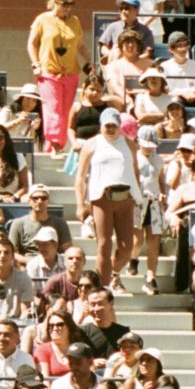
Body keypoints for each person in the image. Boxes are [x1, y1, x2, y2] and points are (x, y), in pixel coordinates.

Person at [75, 108, 139, 292]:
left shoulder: (129, 144)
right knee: (104, 243)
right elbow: (80, 176)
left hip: (125, 198)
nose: (110, 129)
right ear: (101, 126)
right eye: (107, 125)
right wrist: (81, 204)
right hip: (101, 198)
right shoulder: (91, 145)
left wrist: (137, 195)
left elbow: (135, 171)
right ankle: (101, 287)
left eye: (114, 125)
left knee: (127, 247)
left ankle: (115, 273)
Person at [25, 0, 87, 153]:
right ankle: (54, 144)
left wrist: (90, 62)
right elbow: (32, 43)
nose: (68, 8)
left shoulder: (75, 21)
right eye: (65, 4)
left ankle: (58, 144)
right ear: (55, 2)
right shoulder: (42, 19)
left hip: (71, 72)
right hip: (48, 72)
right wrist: (35, 64)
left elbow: (80, 45)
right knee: (53, 108)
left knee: (66, 111)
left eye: (71, 4)